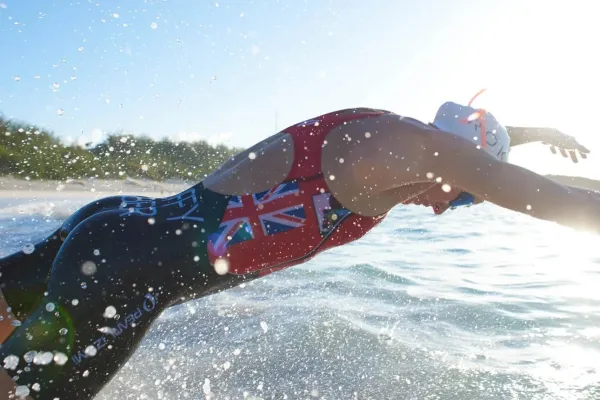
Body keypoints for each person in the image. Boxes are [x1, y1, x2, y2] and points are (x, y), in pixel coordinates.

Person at [0, 95, 595, 400]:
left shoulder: (403, 152)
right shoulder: (405, 146)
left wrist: (538, 135)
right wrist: (519, 150)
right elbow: (547, 198)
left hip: (118, 234)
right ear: (456, 158)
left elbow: (516, 168)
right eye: (466, 196)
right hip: (124, 270)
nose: (447, 209)